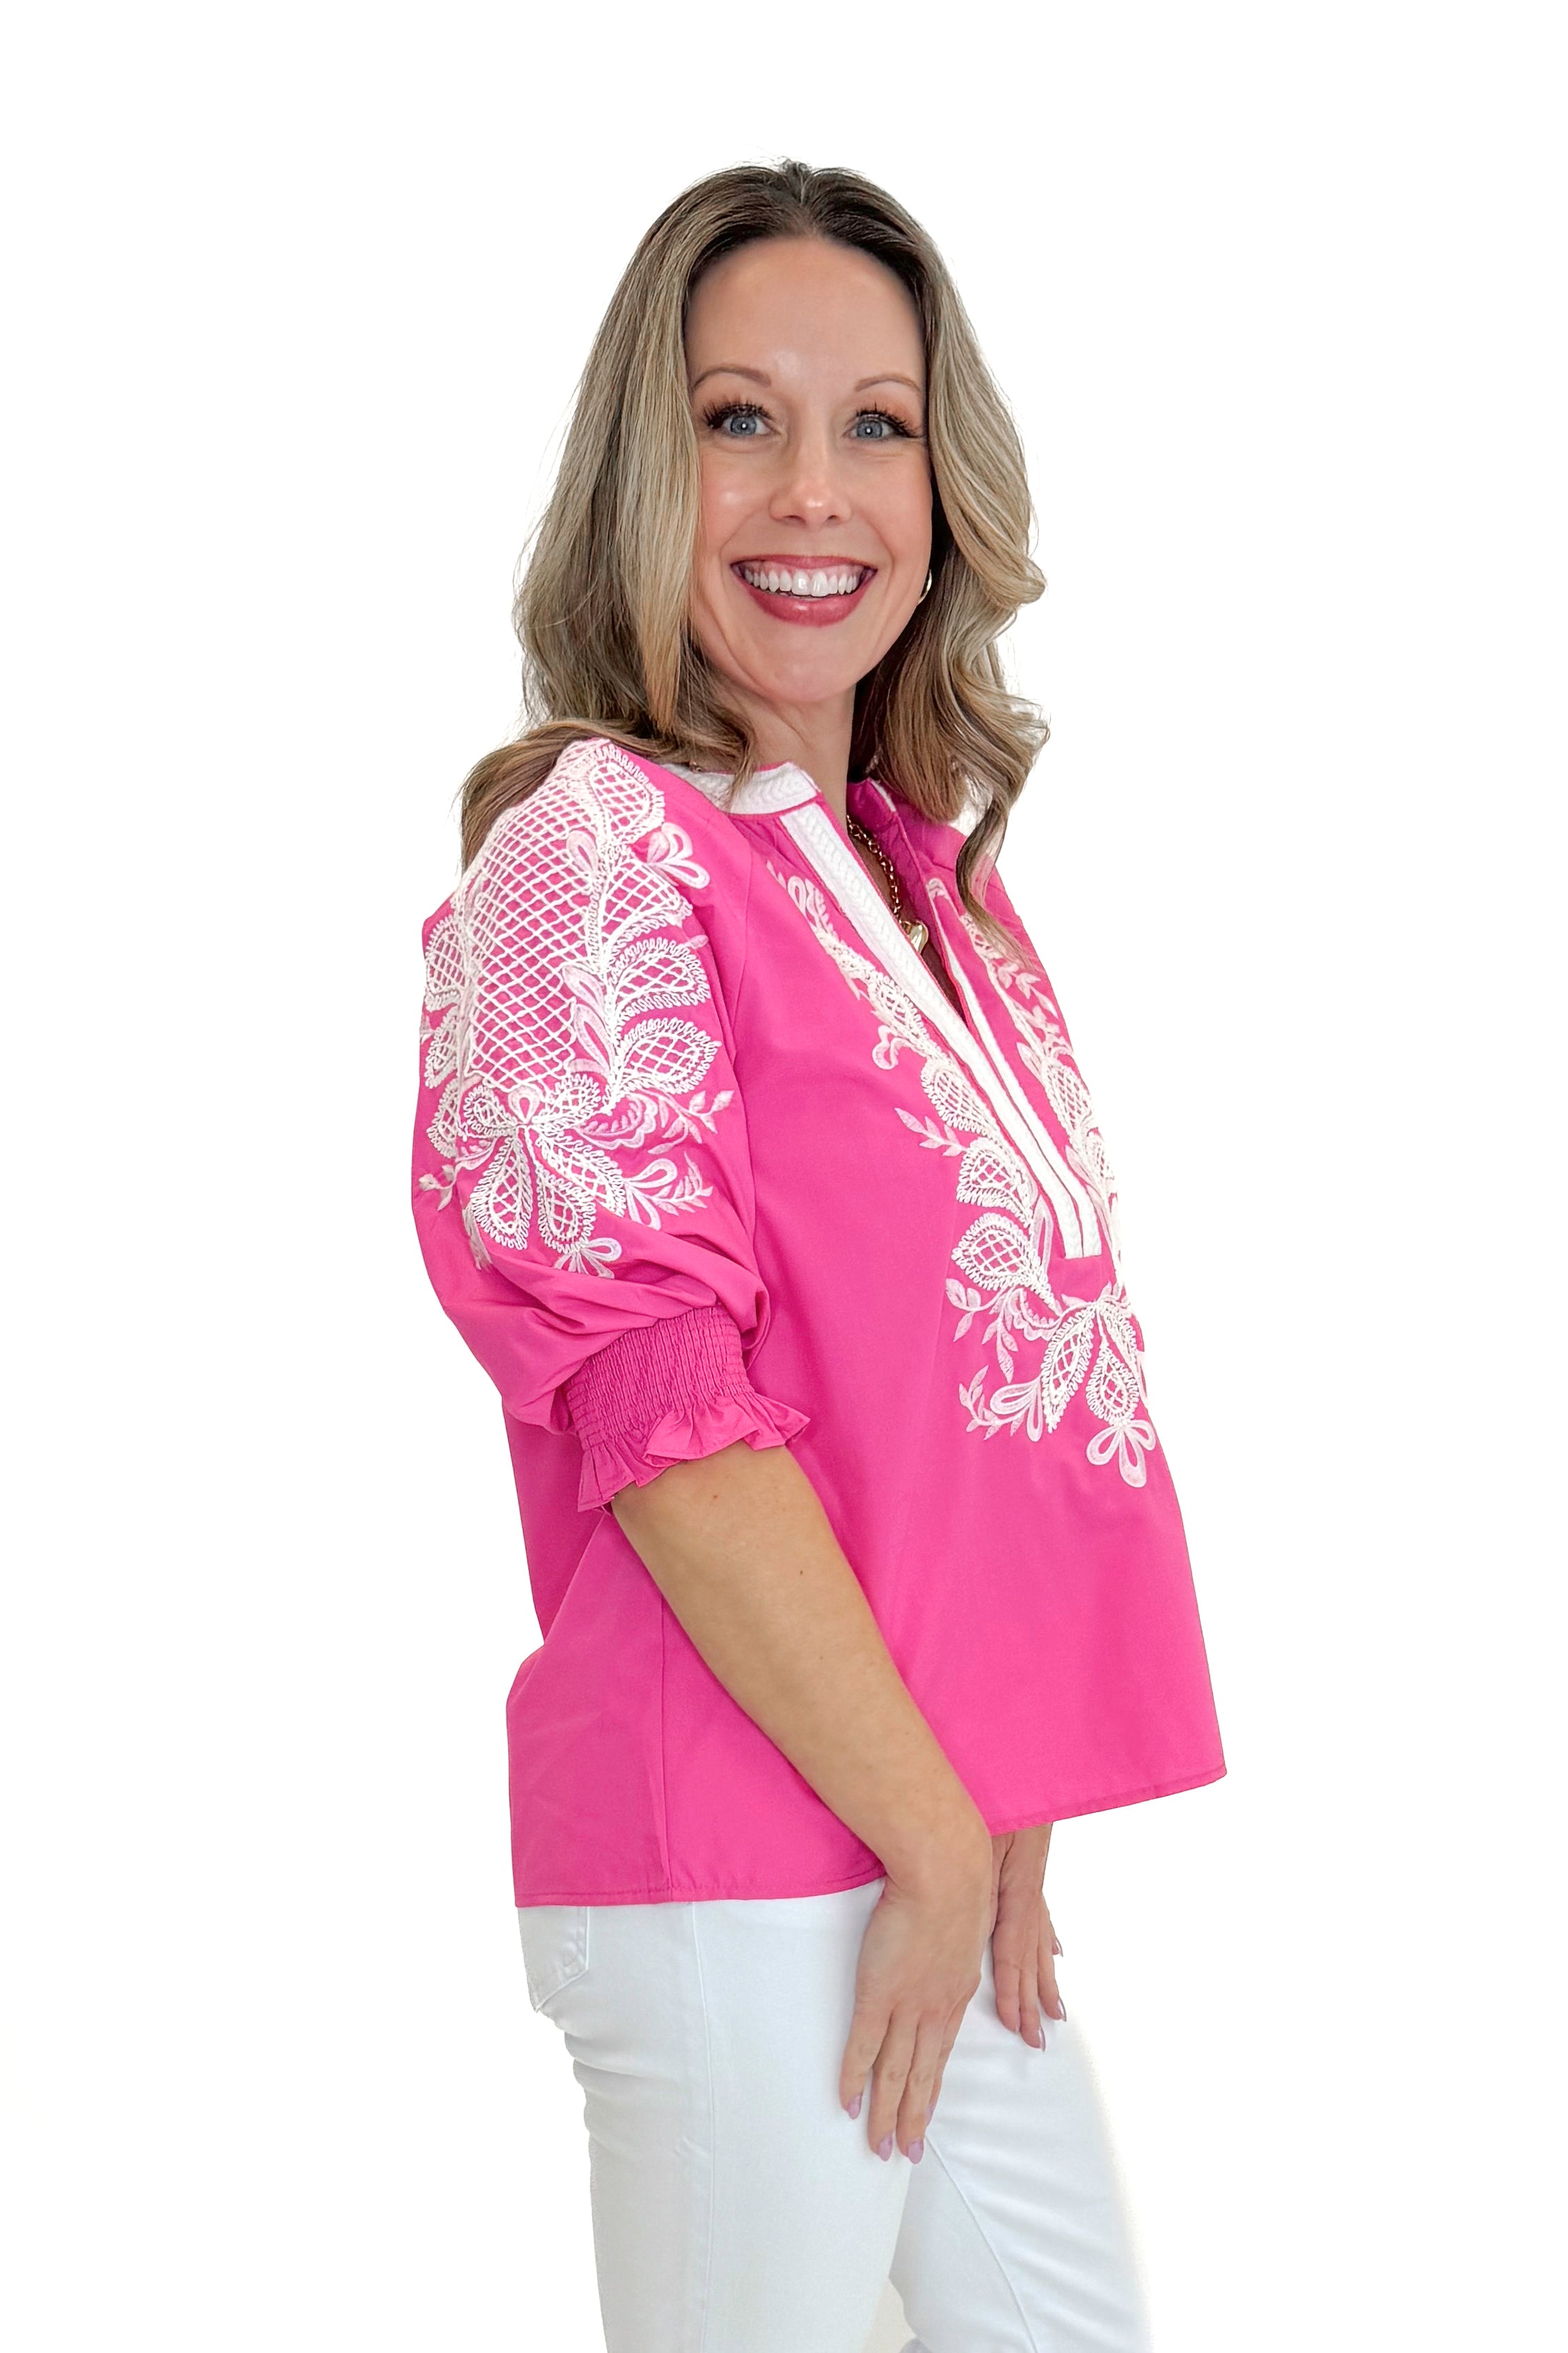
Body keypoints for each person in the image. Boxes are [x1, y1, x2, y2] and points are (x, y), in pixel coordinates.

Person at [411, 159, 1224, 2353]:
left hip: (925, 1843)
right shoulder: (593, 857)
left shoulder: (918, 884)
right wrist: (934, 1835)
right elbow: (663, 1415)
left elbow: (962, 1418)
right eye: (736, 418)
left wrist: (994, 1809)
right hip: (747, 1859)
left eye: (877, 423)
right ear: (640, 469)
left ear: (945, 492)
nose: (814, 489)